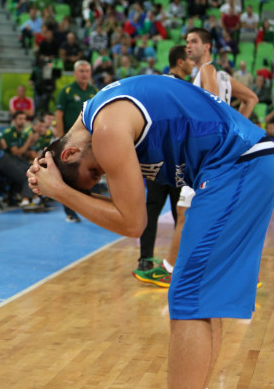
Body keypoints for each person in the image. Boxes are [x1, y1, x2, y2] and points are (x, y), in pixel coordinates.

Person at [27, 74, 274, 389]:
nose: (101, 171)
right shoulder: (94, 117)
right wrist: (51, 177)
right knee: (202, 301)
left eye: (93, 172)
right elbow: (123, 208)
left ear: (70, 154)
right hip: (246, 162)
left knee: (187, 299)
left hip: (237, 164)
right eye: (95, 176)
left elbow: (132, 223)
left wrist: (61, 192)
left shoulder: (106, 129)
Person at [133, 29, 258, 287]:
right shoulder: (221, 74)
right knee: (206, 215)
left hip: (207, 157)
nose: (188, 46)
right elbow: (251, 99)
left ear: (207, 46)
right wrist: (238, 131)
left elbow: (212, 112)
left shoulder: (208, 72)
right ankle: (232, 273)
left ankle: (170, 269)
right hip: (219, 155)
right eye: (187, 42)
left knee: (186, 211)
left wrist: (221, 137)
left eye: (194, 42)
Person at [132, 46, 189, 274]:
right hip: (169, 157)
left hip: (163, 157)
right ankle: (171, 260)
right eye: (189, 59)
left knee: (165, 210)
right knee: (173, 211)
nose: (193, 63)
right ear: (180, 61)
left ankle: (148, 258)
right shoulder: (175, 86)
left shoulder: (166, 84)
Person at [54, 60, 97, 222]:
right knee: (69, 177)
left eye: (87, 71)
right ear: (75, 73)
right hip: (70, 141)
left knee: (85, 176)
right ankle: (69, 211)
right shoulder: (67, 91)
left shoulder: (95, 92)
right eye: (81, 71)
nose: (84, 74)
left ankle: (85, 208)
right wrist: (61, 138)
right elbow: (59, 115)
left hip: (89, 144)